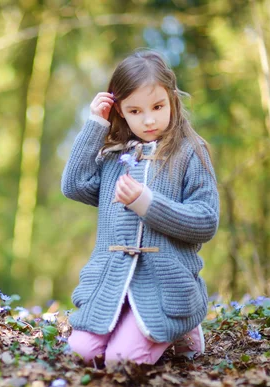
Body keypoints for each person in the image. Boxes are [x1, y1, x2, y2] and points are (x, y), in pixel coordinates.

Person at [61, 49, 219, 366]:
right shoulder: (115, 157)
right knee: (81, 353)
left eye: (158, 107)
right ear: (120, 111)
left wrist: (147, 204)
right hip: (113, 284)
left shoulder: (191, 152)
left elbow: (205, 221)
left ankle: (182, 328)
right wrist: (94, 123)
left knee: (121, 361)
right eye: (134, 111)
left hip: (165, 287)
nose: (148, 119)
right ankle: (132, 326)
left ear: (173, 99)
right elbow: (75, 185)